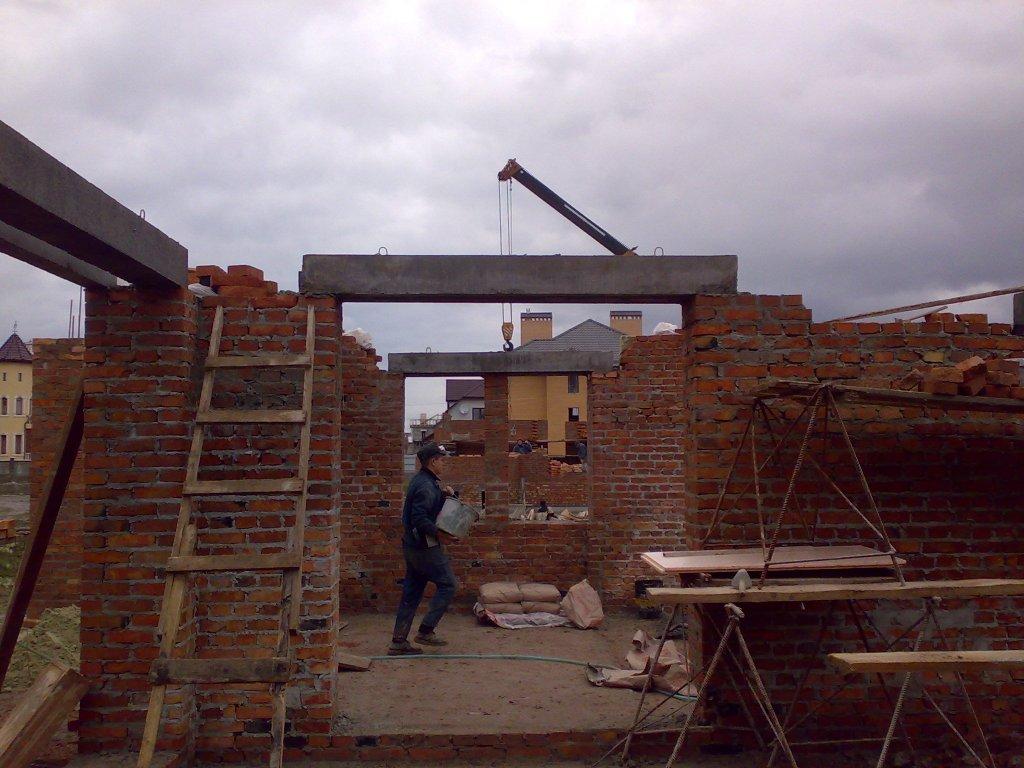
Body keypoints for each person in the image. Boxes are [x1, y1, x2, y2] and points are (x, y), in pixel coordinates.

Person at [389, 442, 459, 655]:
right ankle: (426, 631)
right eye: (442, 460)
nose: (444, 463)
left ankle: (398, 641)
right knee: (448, 585)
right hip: (424, 547)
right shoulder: (426, 486)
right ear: (433, 461)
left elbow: (427, 509)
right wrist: (440, 534)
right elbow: (419, 518)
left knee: (412, 592)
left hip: (412, 546)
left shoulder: (423, 481)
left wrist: (444, 495)